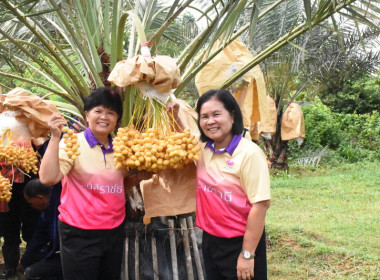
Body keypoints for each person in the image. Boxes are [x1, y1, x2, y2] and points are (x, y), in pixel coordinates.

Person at [39, 87, 151, 280]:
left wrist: (137, 179)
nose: (104, 117)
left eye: (111, 113)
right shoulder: (73, 143)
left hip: (113, 230)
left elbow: (115, 187)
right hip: (79, 233)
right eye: (98, 111)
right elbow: (49, 178)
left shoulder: (122, 149)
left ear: (117, 119)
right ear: (87, 114)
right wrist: (56, 137)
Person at [167, 89, 271, 280]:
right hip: (210, 239)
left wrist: (247, 254)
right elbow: (182, 140)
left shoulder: (249, 154)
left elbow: (261, 205)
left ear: (232, 116)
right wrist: (173, 115)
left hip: (239, 242)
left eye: (216, 114)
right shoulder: (203, 149)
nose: (210, 121)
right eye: (204, 117)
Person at [18, 178, 63, 280]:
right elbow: (39, 238)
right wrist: (24, 261)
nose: (31, 206)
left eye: (30, 203)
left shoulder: (60, 206)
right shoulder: (47, 212)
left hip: (70, 255)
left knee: (32, 273)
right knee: (33, 259)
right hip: (58, 253)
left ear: (40, 198)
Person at [0, 176, 40, 279]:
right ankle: (10, 266)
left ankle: (32, 264)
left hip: (30, 180)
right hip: (6, 182)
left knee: (32, 225)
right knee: (8, 225)